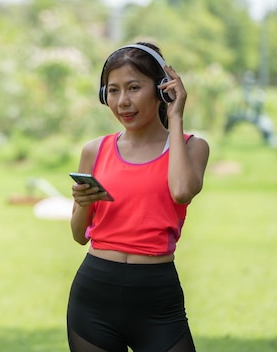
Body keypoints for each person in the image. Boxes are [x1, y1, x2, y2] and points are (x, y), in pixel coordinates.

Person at [67, 42, 210, 352]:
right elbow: (79, 235)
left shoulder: (192, 148)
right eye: (113, 90)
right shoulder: (95, 150)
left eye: (133, 88)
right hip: (94, 297)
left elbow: (182, 190)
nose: (123, 102)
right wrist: (83, 203)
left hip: (157, 300)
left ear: (162, 90)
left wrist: (175, 117)